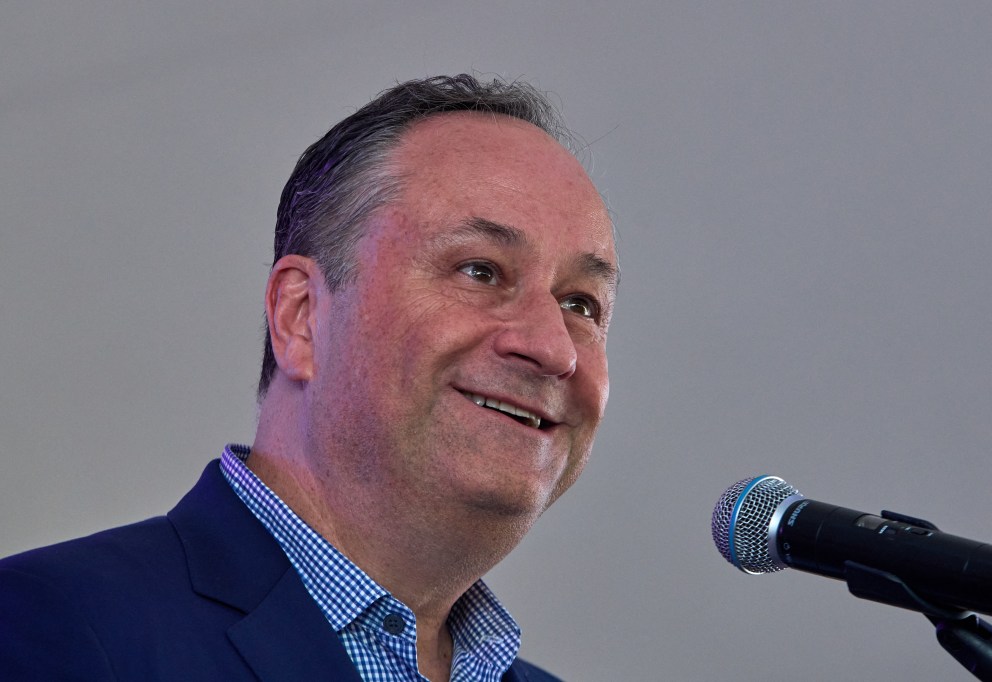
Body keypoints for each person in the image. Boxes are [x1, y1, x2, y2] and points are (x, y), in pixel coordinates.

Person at [0, 74, 618, 681]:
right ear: (301, 317)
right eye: (481, 271)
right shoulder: (52, 627)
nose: (553, 348)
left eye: (582, 304)